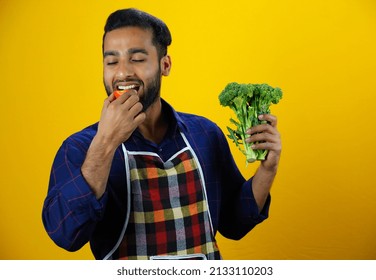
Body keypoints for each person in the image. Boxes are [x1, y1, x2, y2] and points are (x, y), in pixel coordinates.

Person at [42, 8, 281, 260]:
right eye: (112, 61)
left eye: (137, 58)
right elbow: (64, 234)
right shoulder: (79, 148)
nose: (123, 73)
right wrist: (105, 142)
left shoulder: (205, 135)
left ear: (164, 65)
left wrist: (267, 170)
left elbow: (235, 223)